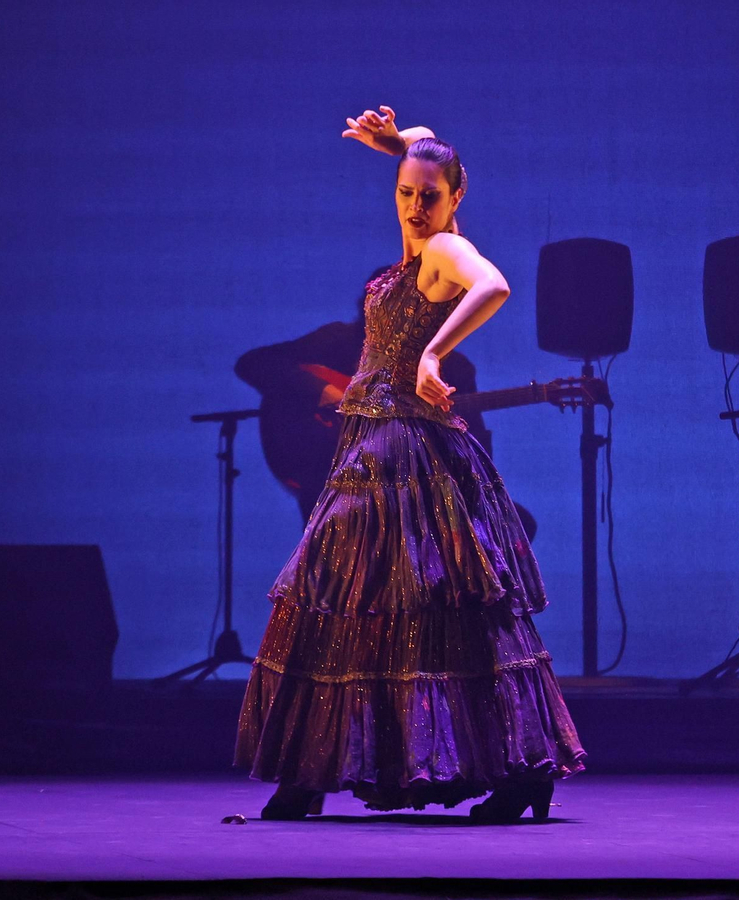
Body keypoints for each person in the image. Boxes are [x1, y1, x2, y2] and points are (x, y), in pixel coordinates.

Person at [235, 106, 585, 820]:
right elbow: (427, 151)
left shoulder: (444, 251)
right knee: (357, 599)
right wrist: (401, 143)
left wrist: (431, 354)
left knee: (392, 599)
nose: (415, 206)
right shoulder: (415, 249)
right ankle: (316, 768)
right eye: (405, 192)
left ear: (456, 197)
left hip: (404, 451)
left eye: (430, 195)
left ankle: (514, 768)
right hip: (370, 446)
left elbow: (493, 285)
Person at [234, 277, 539, 541]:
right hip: (332, 471)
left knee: (514, 525)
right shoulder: (339, 341)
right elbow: (253, 363)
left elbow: (475, 444)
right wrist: (327, 392)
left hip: (414, 482)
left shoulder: (454, 368)